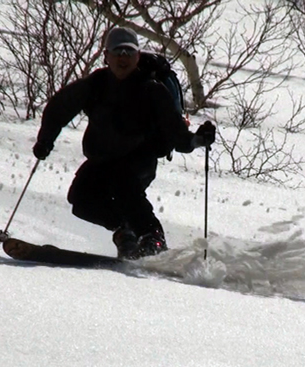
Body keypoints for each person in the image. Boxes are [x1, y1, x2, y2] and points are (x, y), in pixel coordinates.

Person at [31, 26, 216, 259]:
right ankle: (124, 233)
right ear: (106, 55)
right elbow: (59, 109)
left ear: (138, 56)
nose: (123, 58)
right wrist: (45, 140)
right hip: (103, 159)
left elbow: (175, 133)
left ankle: (153, 237)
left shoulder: (151, 90)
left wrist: (197, 140)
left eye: (129, 52)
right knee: (80, 199)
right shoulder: (95, 84)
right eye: (118, 52)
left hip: (140, 160)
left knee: (123, 185)